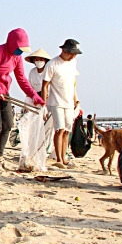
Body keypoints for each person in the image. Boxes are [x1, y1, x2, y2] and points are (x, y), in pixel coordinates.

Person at [0, 30, 46, 170]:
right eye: (19, 48)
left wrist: (34, 96)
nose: (20, 52)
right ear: (12, 43)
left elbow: (22, 79)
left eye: (23, 49)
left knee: (8, 124)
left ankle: (0, 156)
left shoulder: (17, 58)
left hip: (4, 90)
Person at [41, 39, 82, 169]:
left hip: (69, 102)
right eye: (71, 53)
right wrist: (43, 104)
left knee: (67, 131)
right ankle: (58, 158)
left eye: (75, 54)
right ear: (64, 50)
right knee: (59, 129)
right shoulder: (52, 64)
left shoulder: (73, 62)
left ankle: (64, 157)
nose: (73, 56)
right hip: (56, 101)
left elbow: (73, 82)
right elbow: (45, 85)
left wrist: (76, 100)